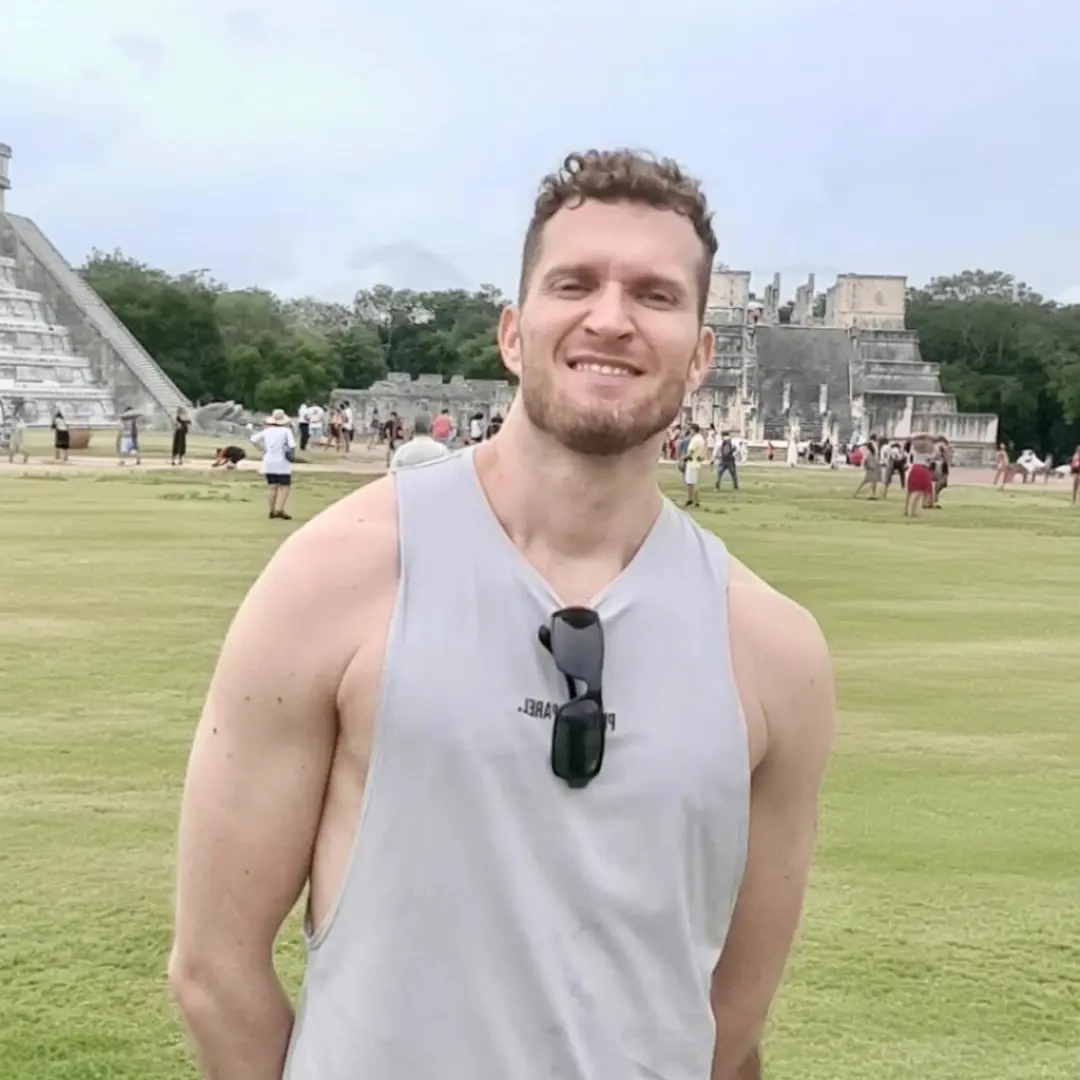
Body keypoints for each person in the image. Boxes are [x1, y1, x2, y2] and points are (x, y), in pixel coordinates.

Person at [168, 149, 836, 1080]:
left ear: (702, 353)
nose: (611, 317)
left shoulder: (773, 652)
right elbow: (214, 972)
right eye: (575, 283)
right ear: (514, 333)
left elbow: (731, 1025)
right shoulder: (338, 577)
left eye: (654, 294)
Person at [250, 408, 296, 520]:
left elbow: (253, 439)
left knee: (272, 486)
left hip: (268, 460)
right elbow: (292, 445)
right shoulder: (286, 431)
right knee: (285, 486)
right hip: (281, 461)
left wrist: (262, 450)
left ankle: (271, 510)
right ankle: (279, 509)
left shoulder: (267, 431)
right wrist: (292, 456)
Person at [388, 411, 452, 473]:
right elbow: (448, 472)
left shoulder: (402, 451)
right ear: (432, 428)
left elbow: (392, 473)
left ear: (414, 428)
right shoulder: (442, 450)